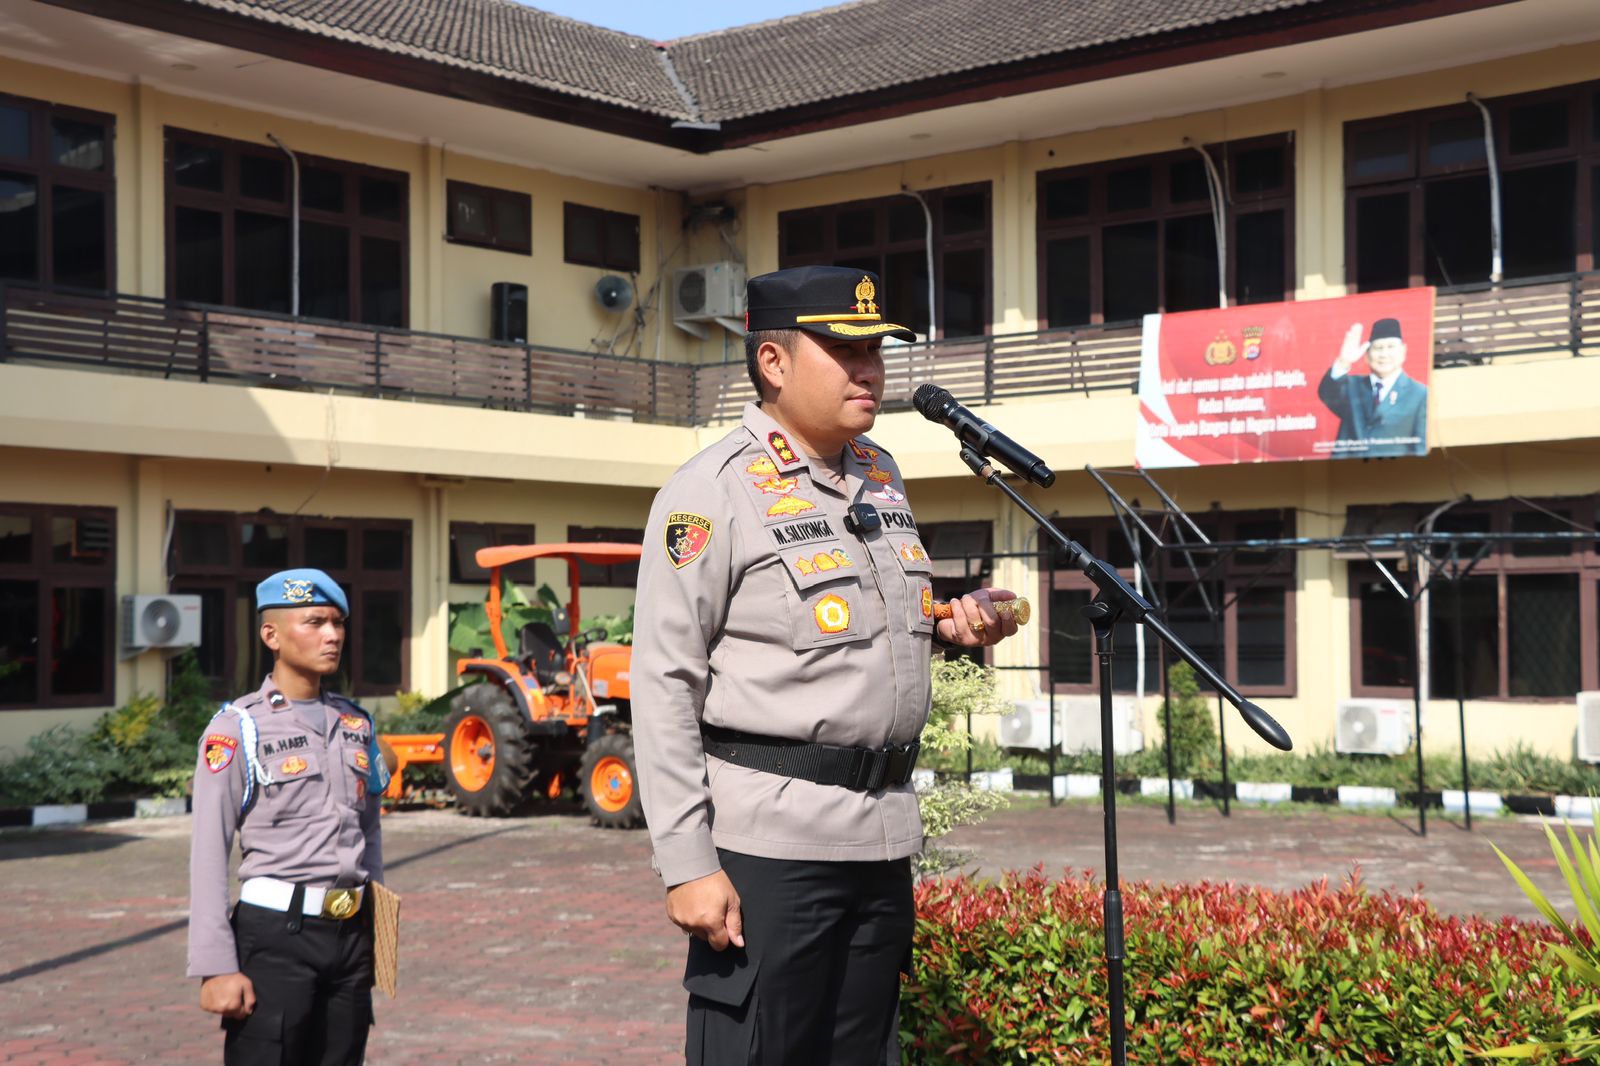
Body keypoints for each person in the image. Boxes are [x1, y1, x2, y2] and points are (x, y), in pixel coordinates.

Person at [632, 265, 1020, 1065]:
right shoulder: (711, 493)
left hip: (880, 842)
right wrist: (687, 864)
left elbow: (865, 624)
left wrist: (950, 623)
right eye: (845, 351)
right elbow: (665, 680)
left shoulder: (880, 474)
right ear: (773, 362)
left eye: (875, 350)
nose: (869, 369)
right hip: (771, 852)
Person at [187, 569, 391, 1066]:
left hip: (350, 936)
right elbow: (209, 850)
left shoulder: (355, 723)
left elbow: (368, 832)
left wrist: (380, 934)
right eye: (315, 622)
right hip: (277, 937)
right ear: (271, 636)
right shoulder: (238, 729)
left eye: (337, 623)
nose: (332, 635)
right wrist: (216, 966)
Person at [1316, 317, 1428, 457]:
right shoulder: (1352, 386)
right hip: (1346, 469)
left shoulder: (1420, 394)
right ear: (1367, 355)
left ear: (1403, 351)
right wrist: (1343, 362)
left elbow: (1420, 448)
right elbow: (1327, 392)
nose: (1384, 354)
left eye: (1391, 347)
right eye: (1378, 348)